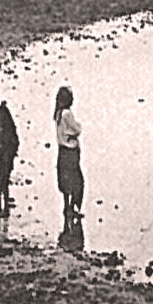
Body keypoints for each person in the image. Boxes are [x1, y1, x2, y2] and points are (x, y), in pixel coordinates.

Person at [52, 85, 85, 220]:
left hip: (62, 151)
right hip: (71, 150)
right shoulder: (67, 114)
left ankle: (67, 207)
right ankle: (73, 207)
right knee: (77, 181)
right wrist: (79, 127)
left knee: (65, 180)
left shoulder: (58, 114)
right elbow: (77, 129)